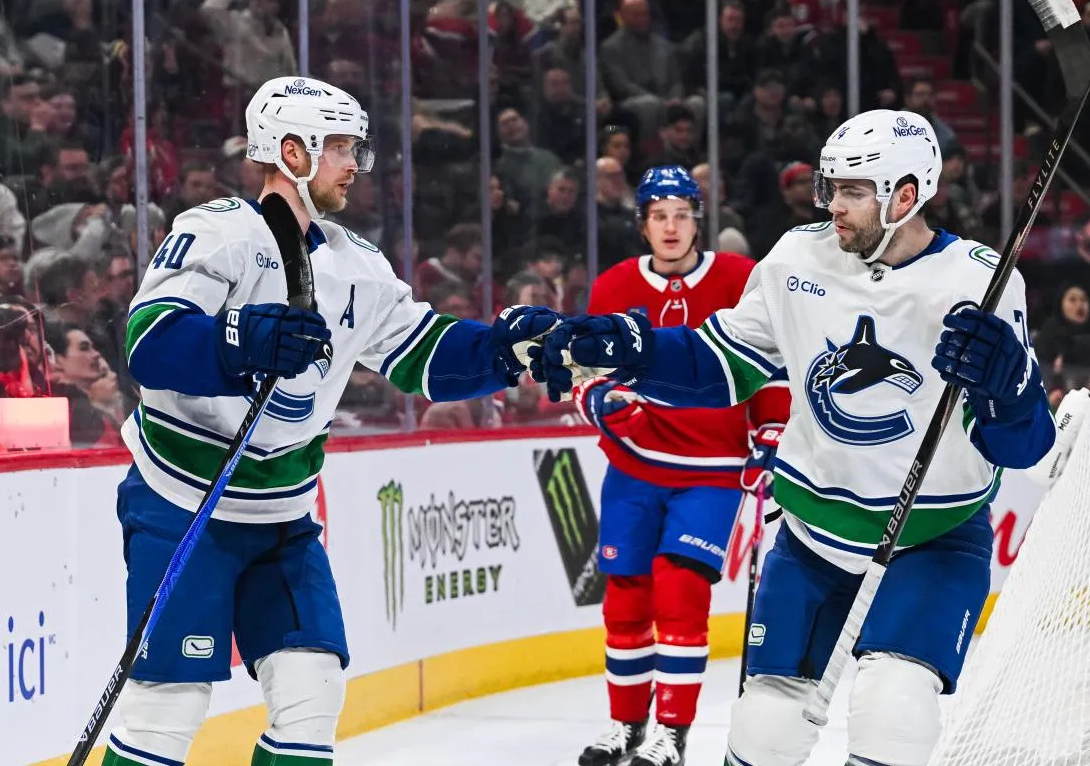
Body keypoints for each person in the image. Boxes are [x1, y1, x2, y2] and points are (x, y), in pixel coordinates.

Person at [534, 109, 1055, 766]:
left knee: (894, 712)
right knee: (765, 728)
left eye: (854, 192)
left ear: (906, 195)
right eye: (831, 188)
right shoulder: (797, 258)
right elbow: (721, 363)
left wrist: (1009, 388)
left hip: (933, 539)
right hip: (811, 538)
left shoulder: (979, 281)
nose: (834, 205)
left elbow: (1022, 448)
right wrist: (636, 351)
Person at [104, 76, 561, 766]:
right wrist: (242, 340)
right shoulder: (216, 233)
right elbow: (150, 342)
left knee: (313, 693)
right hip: (183, 503)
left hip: (283, 518)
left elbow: (425, 355)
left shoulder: (360, 265)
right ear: (293, 151)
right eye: (342, 148)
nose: (355, 165)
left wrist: (507, 350)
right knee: (167, 707)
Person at [572, 166, 789, 766]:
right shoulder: (615, 286)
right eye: (658, 216)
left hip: (713, 468)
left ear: (699, 220)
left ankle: (671, 733)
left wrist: (771, 432)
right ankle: (626, 724)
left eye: (681, 215)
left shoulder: (739, 278)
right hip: (634, 466)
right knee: (625, 599)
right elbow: (585, 371)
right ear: (642, 225)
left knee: (681, 590)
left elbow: (771, 362)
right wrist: (599, 402)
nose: (671, 227)